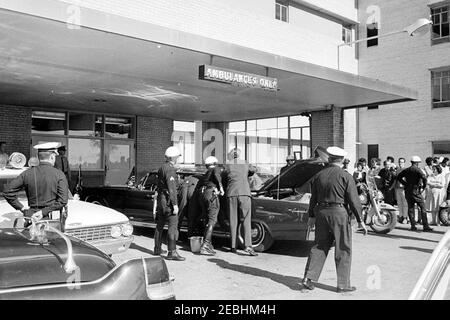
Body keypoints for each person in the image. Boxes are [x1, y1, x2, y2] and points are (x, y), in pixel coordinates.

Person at [301, 146, 367, 293]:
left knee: (319, 246)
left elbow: (313, 198)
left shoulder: (319, 175)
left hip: (321, 213)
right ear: (342, 160)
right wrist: (360, 220)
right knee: (343, 247)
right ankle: (343, 285)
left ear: (329, 158)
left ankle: (308, 279)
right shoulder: (346, 176)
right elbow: (354, 200)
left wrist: (311, 215)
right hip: (339, 213)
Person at [3, 142, 68, 225]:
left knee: (30, 238)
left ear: (38, 157)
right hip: (51, 220)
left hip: (31, 217)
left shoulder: (27, 173)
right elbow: (63, 201)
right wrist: (43, 212)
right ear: (52, 157)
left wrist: (22, 208)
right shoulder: (59, 174)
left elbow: (7, 192)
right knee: (52, 238)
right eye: (55, 156)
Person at [223, 148, 257, 256]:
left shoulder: (227, 164)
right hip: (244, 193)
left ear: (231, 155)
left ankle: (233, 246)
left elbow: (224, 177)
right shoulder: (246, 163)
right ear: (240, 155)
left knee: (233, 220)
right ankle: (248, 246)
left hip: (231, 193)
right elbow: (253, 170)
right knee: (246, 220)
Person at [153, 146, 185, 261]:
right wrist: (175, 204)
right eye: (177, 157)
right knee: (172, 226)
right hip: (168, 201)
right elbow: (172, 188)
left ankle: (157, 248)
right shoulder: (170, 170)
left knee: (160, 225)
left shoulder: (162, 168)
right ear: (174, 157)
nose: (178, 159)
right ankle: (172, 252)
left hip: (161, 200)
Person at [396, 156, 433, 232]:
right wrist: (424, 186)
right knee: (423, 208)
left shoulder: (407, 170)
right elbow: (424, 178)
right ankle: (425, 226)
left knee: (410, 208)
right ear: (417, 163)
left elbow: (399, 177)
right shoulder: (418, 170)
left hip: (407, 191)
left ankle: (413, 226)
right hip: (416, 191)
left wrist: (405, 183)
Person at [198, 156, 224, 255]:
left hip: (204, 195)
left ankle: (208, 244)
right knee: (212, 219)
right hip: (212, 194)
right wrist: (221, 188)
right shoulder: (215, 169)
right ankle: (206, 245)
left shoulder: (207, 173)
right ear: (215, 163)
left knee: (207, 219)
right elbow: (217, 176)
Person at [393, 158, 408, 224]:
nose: (400, 163)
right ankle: (400, 216)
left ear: (404, 163)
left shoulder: (406, 170)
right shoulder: (397, 170)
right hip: (397, 188)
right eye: (399, 162)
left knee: (405, 204)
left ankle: (405, 217)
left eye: (402, 162)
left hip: (404, 189)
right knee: (399, 203)